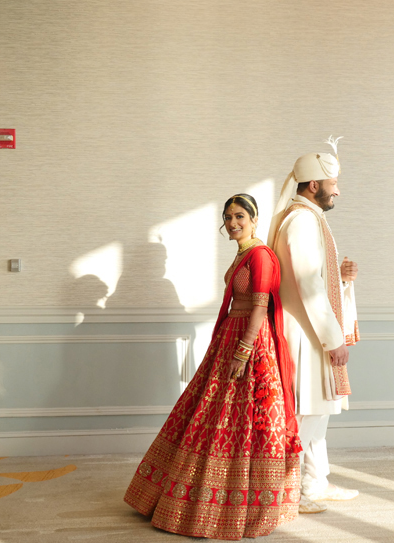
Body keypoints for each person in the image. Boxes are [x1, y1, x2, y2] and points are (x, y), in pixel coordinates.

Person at [124, 194, 301, 541]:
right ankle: (187, 498)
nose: (233, 223)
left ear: (253, 218)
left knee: (243, 421)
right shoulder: (242, 254)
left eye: (239, 216)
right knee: (209, 415)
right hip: (229, 338)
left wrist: (244, 350)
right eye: (228, 217)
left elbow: (259, 307)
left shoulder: (261, 256)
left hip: (248, 344)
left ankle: (238, 508)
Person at [267, 138, 360, 515]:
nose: (337, 190)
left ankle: (315, 482)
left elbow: (316, 279)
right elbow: (306, 284)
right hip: (306, 334)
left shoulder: (309, 218)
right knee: (306, 412)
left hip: (311, 329)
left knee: (319, 409)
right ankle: (294, 491)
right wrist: (332, 338)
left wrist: (343, 279)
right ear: (314, 185)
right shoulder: (302, 220)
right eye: (333, 184)